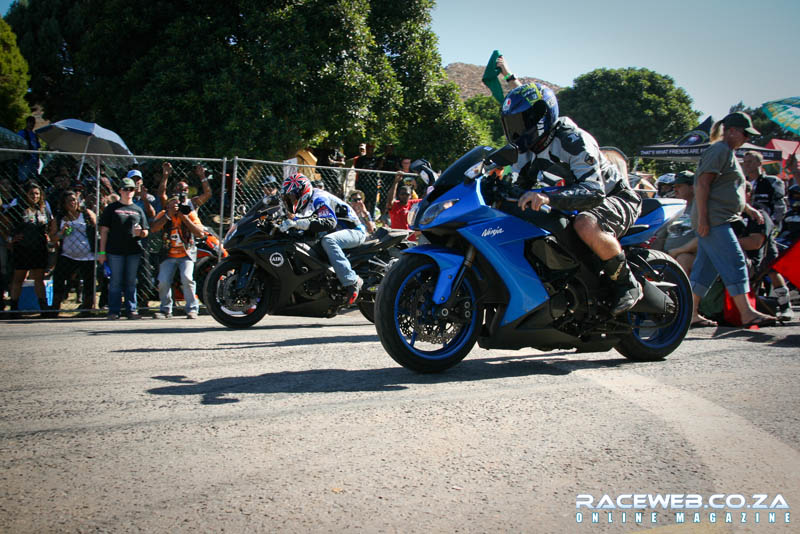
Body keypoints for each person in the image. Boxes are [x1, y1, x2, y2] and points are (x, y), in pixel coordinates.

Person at [497, 56, 643, 315]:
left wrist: (547, 197)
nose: (516, 131)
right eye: (512, 124)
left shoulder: (572, 140)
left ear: (539, 120)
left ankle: (627, 284)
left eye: (521, 123)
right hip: (570, 201)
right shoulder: (527, 150)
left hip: (614, 196)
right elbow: (517, 185)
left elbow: (594, 191)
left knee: (585, 223)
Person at [687, 111, 775, 328]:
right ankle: (746, 313)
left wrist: (748, 209)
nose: (748, 139)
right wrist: (704, 220)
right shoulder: (719, 150)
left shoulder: (726, 152)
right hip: (715, 220)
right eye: (746, 134)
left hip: (717, 218)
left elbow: (724, 188)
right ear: (732, 131)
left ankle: (689, 313)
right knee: (735, 260)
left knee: (705, 270)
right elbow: (702, 185)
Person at [279, 173, 366, 304]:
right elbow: (308, 221)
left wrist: (297, 223)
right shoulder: (306, 204)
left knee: (329, 241)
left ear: (303, 192)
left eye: (292, 197)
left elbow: (329, 222)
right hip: (336, 232)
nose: (291, 201)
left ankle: (352, 281)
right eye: (288, 198)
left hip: (354, 231)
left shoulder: (319, 198)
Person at [97, 177, 150, 320]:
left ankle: (131, 310)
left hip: (133, 250)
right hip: (115, 251)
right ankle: (114, 310)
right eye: (125, 189)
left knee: (131, 281)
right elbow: (104, 231)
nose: (128, 192)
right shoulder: (112, 208)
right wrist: (102, 252)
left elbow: (146, 231)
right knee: (115, 281)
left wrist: (141, 233)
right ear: (120, 190)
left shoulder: (137, 209)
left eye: (131, 189)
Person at [1, 181, 56, 316]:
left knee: (39, 277)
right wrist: (10, 239)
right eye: (31, 193)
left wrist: (49, 236)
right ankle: (14, 308)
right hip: (22, 248)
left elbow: (51, 224)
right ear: (25, 195)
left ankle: (43, 306)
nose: (35, 196)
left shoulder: (43, 209)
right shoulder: (18, 209)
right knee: (19, 277)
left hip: (39, 248)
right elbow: (3, 222)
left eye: (37, 193)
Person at [149, 196, 205, 319]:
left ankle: (192, 309)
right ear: (167, 206)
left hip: (186, 253)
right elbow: (153, 228)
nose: (176, 208)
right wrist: (168, 216)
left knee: (187, 278)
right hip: (168, 254)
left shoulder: (189, 213)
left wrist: (184, 217)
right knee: (163, 281)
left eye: (178, 205)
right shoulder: (164, 214)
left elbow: (200, 233)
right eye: (172, 205)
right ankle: (165, 310)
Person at [50, 190, 97, 317]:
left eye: (74, 200)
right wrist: (61, 233)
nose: (72, 203)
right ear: (63, 204)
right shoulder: (59, 218)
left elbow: (98, 232)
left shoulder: (86, 214)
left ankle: (87, 309)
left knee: (89, 282)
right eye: (69, 201)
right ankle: (55, 308)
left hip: (88, 256)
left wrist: (101, 252)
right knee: (59, 279)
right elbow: (52, 238)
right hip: (67, 255)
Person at [742, 151, 787, 231]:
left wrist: (772, 224)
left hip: (765, 225)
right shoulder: (741, 182)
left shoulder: (772, 181)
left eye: (750, 161)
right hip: (745, 225)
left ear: (759, 163)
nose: (746, 164)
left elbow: (780, 207)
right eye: (745, 162)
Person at [666, 171, 697, 276]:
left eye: (679, 186)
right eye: (674, 186)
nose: (675, 189)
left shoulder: (700, 209)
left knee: (682, 259)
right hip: (668, 254)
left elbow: (701, 239)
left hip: (690, 256)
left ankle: (681, 292)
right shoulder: (673, 208)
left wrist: (677, 251)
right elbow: (661, 237)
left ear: (692, 187)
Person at [384, 173, 422, 240]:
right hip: (396, 237)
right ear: (399, 195)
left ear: (410, 196)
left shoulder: (413, 203)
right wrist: (396, 182)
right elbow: (390, 199)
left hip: (409, 237)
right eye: (402, 194)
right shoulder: (394, 205)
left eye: (407, 194)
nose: (404, 196)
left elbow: (427, 199)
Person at [16, 116, 41, 183]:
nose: (32, 124)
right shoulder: (22, 133)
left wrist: (38, 160)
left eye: (33, 123)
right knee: (23, 179)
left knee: (33, 179)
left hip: (33, 161)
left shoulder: (34, 135)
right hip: (25, 160)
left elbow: (37, 148)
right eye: (30, 122)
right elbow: (18, 145)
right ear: (27, 123)